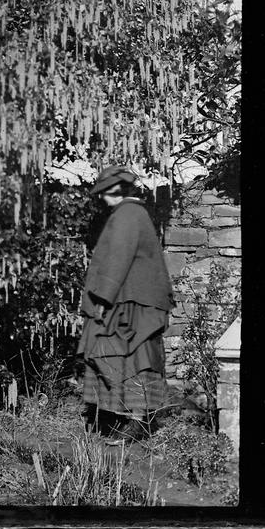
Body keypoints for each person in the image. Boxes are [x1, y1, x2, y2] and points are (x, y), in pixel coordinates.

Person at [77, 165, 174, 444]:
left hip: (132, 302)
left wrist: (103, 299)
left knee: (129, 357)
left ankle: (135, 422)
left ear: (118, 191)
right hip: (132, 299)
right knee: (128, 356)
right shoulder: (134, 213)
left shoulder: (127, 216)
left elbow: (117, 259)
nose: (103, 199)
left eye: (106, 193)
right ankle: (125, 418)